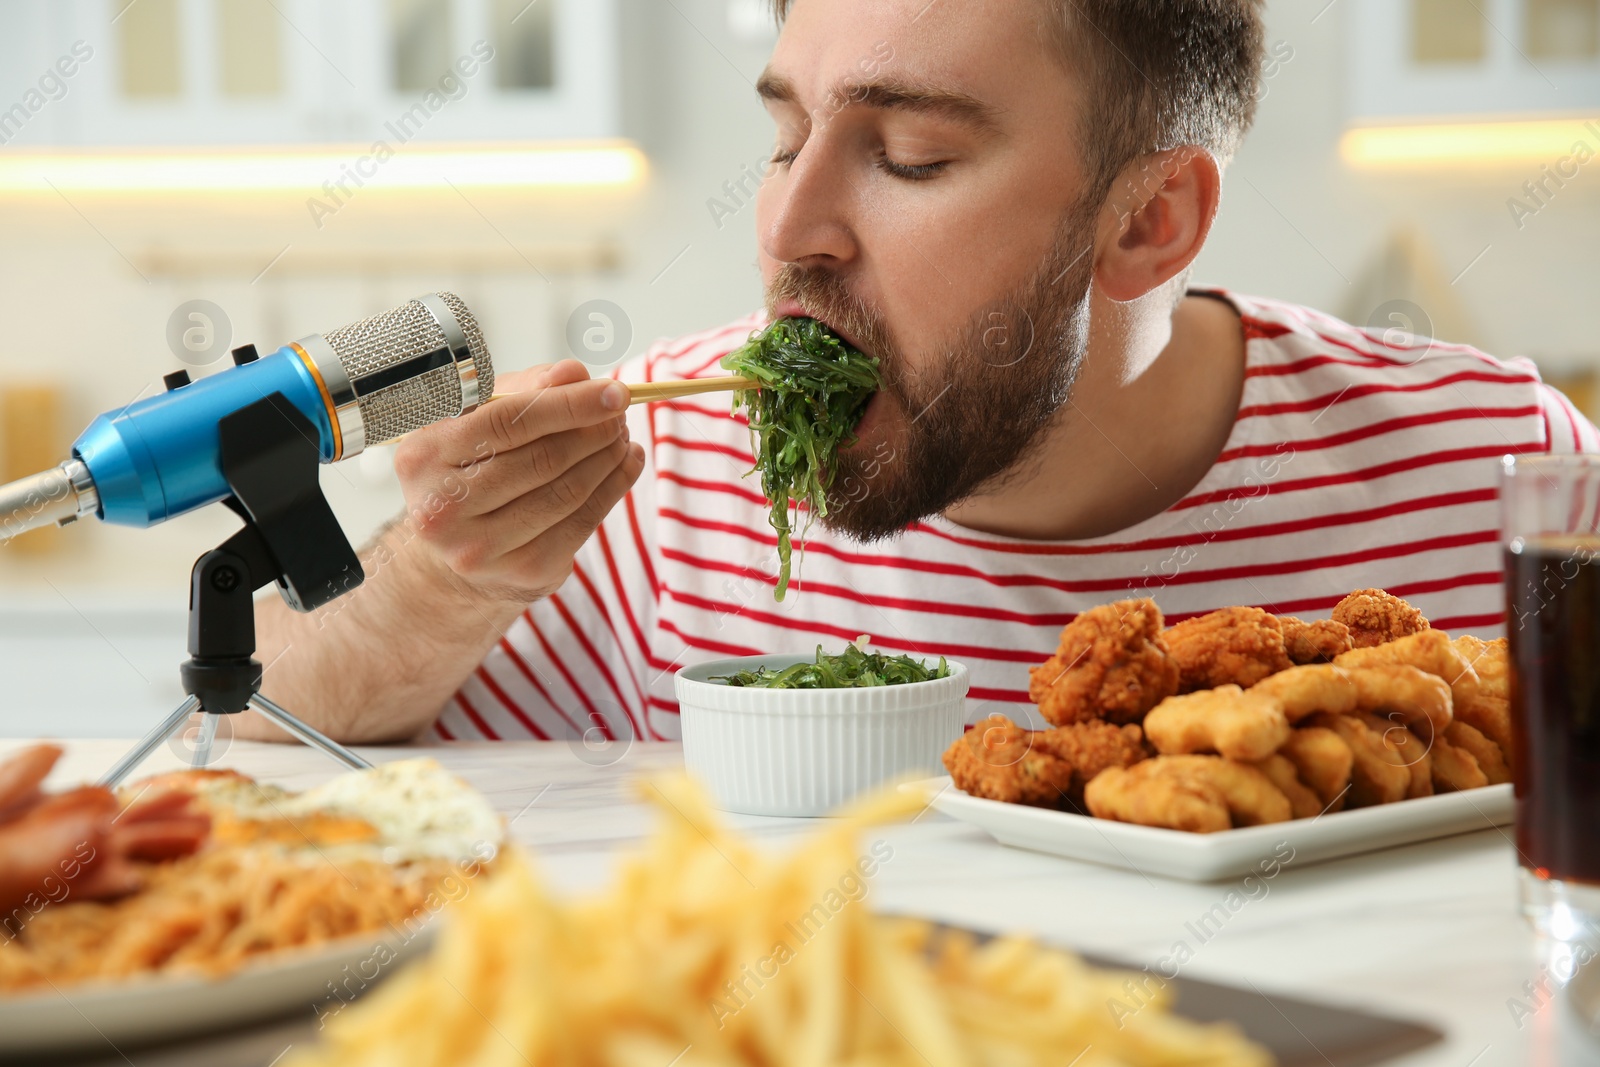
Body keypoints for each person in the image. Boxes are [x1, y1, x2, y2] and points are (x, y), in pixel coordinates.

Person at [243, 0, 1598, 745]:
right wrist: (440, 580)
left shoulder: (1494, 465)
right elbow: (257, 725)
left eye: (911, 160)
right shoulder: (669, 486)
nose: (785, 230)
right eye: (786, 138)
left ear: (1148, 222)